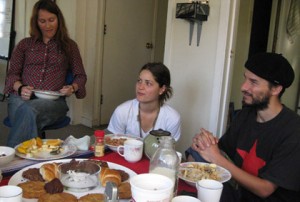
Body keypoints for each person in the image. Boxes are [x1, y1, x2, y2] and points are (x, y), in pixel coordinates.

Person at [186, 52, 300, 201]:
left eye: (253, 82)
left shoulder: (293, 130)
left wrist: (216, 158)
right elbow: (222, 152)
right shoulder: (245, 116)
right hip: (236, 194)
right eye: (245, 78)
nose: (243, 87)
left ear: (276, 89)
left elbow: (265, 189)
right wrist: (204, 145)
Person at [4, 0, 87, 147]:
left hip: (53, 102)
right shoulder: (24, 44)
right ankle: (33, 158)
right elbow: (12, 75)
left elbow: (80, 76)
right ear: (36, 22)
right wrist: (21, 88)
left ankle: (10, 161)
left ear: (59, 20)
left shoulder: (69, 46)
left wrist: (72, 87)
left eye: (51, 20)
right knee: (26, 112)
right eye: (42, 21)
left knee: (27, 110)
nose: (48, 26)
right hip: (20, 98)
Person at [107, 62, 181, 141]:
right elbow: (114, 144)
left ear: (162, 89)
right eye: (139, 81)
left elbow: (168, 150)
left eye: (148, 83)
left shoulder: (172, 118)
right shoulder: (122, 111)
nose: (140, 87)